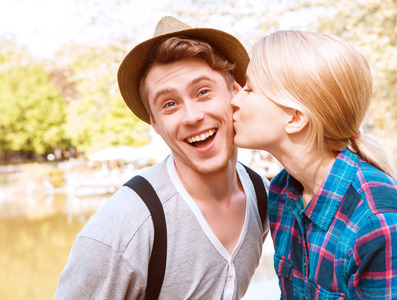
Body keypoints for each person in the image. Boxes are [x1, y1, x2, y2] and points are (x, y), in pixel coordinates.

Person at [55, 16, 269, 300]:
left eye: (203, 91)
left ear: (235, 93)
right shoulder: (125, 227)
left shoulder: (264, 197)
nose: (192, 116)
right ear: (154, 123)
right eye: (169, 104)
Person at [231, 30, 397, 299]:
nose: (235, 101)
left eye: (248, 89)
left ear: (294, 118)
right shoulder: (283, 191)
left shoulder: (378, 223)